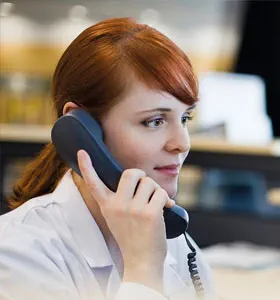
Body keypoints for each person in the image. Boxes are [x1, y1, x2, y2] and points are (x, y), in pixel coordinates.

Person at [0, 18, 215, 300]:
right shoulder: (17, 252)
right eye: (154, 121)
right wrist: (143, 272)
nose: (181, 143)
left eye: (185, 118)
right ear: (81, 131)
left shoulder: (176, 244)